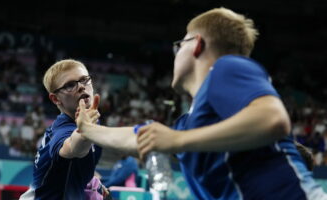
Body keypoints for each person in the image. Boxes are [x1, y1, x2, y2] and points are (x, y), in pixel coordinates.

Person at [75, 8, 327, 200]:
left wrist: (177, 141)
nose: (175, 54)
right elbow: (142, 138)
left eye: (179, 45)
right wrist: (89, 130)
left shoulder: (226, 67)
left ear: (196, 44)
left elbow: (273, 120)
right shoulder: (191, 123)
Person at [20, 59, 103, 200]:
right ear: (55, 99)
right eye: (70, 85)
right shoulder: (61, 131)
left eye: (84, 80)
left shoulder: (93, 122)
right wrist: (85, 132)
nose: (81, 87)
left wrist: (91, 182)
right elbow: (73, 147)